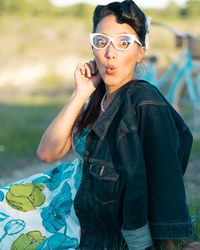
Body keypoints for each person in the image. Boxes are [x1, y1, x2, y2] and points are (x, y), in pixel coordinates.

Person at [0, 0, 199, 249]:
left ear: (141, 51)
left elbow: (163, 173)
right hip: (57, 193)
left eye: (123, 42)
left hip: (83, 215)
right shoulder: (97, 98)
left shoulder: (144, 101)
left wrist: (169, 242)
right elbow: (48, 152)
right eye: (101, 41)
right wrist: (81, 93)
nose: (110, 53)